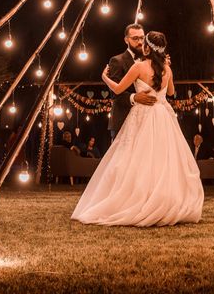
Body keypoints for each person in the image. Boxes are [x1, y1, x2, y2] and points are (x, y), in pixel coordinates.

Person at [71, 31, 204, 226]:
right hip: (163, 116)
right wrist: (166, 72)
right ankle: (163, 200)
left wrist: (104, 77)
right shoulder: (167, 69)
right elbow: (171, 92)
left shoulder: (139, 66)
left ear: (147, 47)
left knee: (136, 158)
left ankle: (138, 199)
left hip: (143, 114)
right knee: (161, 160)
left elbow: (117, 89)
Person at [107, 23, 157, 144]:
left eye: (142, 38)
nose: (140, 42)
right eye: (135, 38)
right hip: (123, 120)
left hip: (147, 121)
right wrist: (134, 97)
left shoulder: (150, 62)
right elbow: (114, 93)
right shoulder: (117, 61)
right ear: (126, 40)